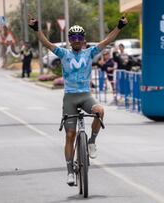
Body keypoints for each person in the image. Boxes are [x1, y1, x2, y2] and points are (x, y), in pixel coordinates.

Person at [28, 13, 128, 186]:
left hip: (85, 95)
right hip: (70, 98)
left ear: (83, 40)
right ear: (69, 40)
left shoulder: (90, 53)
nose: (76, 40)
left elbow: (106, 41)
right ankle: (69, 172)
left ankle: (91, 142)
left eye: (79, 37)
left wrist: (119, 26)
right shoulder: (63, 53)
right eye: (73, 37)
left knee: (100, 111)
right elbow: (46, 43)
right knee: (70, 135)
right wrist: (37, 30)